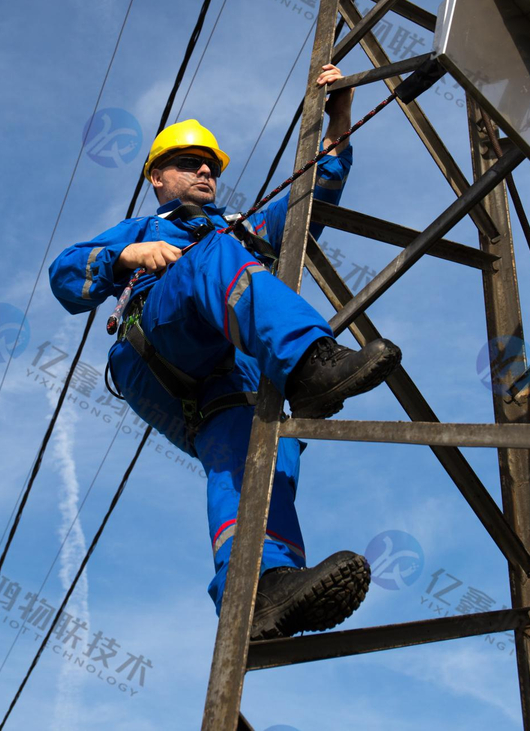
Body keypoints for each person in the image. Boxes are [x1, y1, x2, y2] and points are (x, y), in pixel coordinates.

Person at [49, 64, 401, 639]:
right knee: (213, 257)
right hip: (156, 350)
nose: (206, 169)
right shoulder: (143, 228)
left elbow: (313, 195)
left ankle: (262, 587)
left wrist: (339, 115)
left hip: (220, 382)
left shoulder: (240, 229)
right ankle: (310, 364)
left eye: (210, 163)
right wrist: (129, 258)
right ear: (157, 178)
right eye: (189, 162)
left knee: (261, 448)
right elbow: (66, 275)